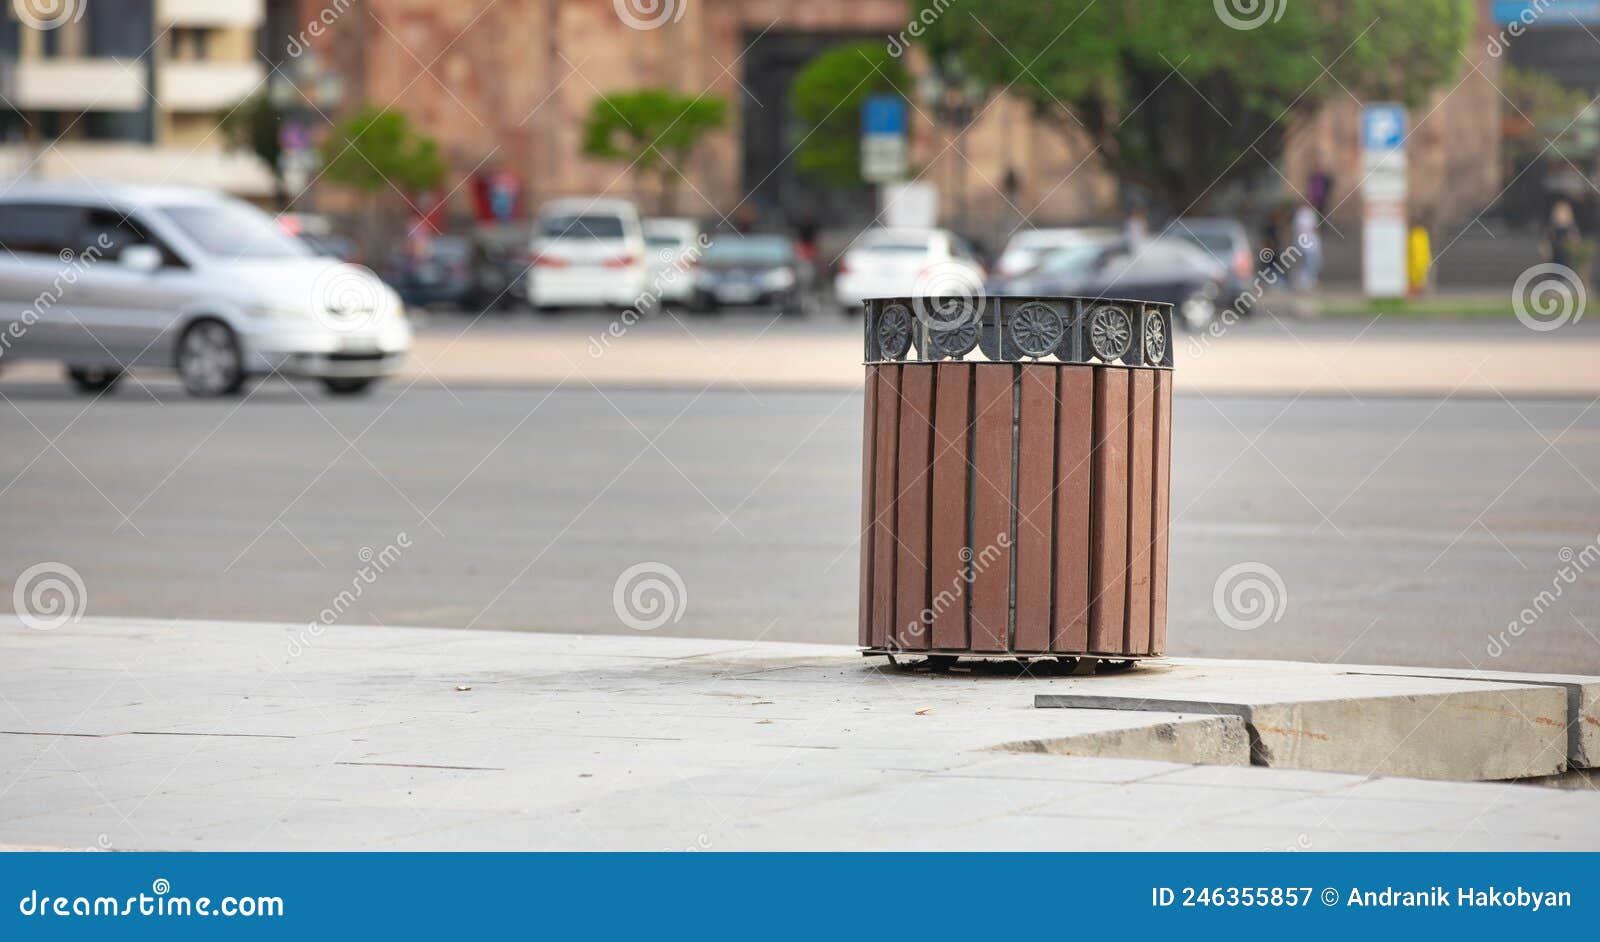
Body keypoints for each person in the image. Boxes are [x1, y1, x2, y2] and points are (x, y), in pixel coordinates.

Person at [1290, 202, 1321, 291]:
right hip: (1304, 244)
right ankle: (1304, 283)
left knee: (1312, 263)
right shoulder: (1302, 214)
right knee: (1306, 264)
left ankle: (1308, 283)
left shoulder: (1310, 213)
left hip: (1311, 245)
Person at [1543, 200, 1582, 270]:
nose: (1561, 214)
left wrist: (1573, 242)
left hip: (1566, 256)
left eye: (1563, 212)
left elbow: (1576, 240)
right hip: (1554, 255)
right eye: (1559, 212)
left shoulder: (1571, 226)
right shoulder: (1552, 226)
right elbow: (1546, 240)